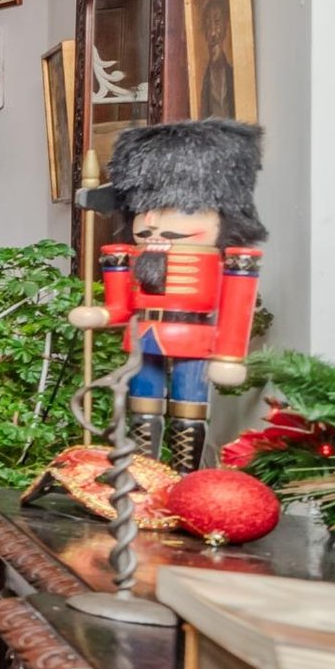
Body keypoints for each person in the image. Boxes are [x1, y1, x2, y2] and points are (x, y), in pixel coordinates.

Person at [68, 119, 264, 471]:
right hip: (145, 337)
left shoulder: (234, 263)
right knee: (142, 408)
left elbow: (236, 310)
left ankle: (185, 475)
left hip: (195, 338)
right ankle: (147, 472)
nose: (153, 223)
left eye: (178, 210)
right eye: (145, 210)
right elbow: (120, 306)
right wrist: (100, 314)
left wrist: (229, 356)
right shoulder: (128, 256)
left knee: (189, 410)